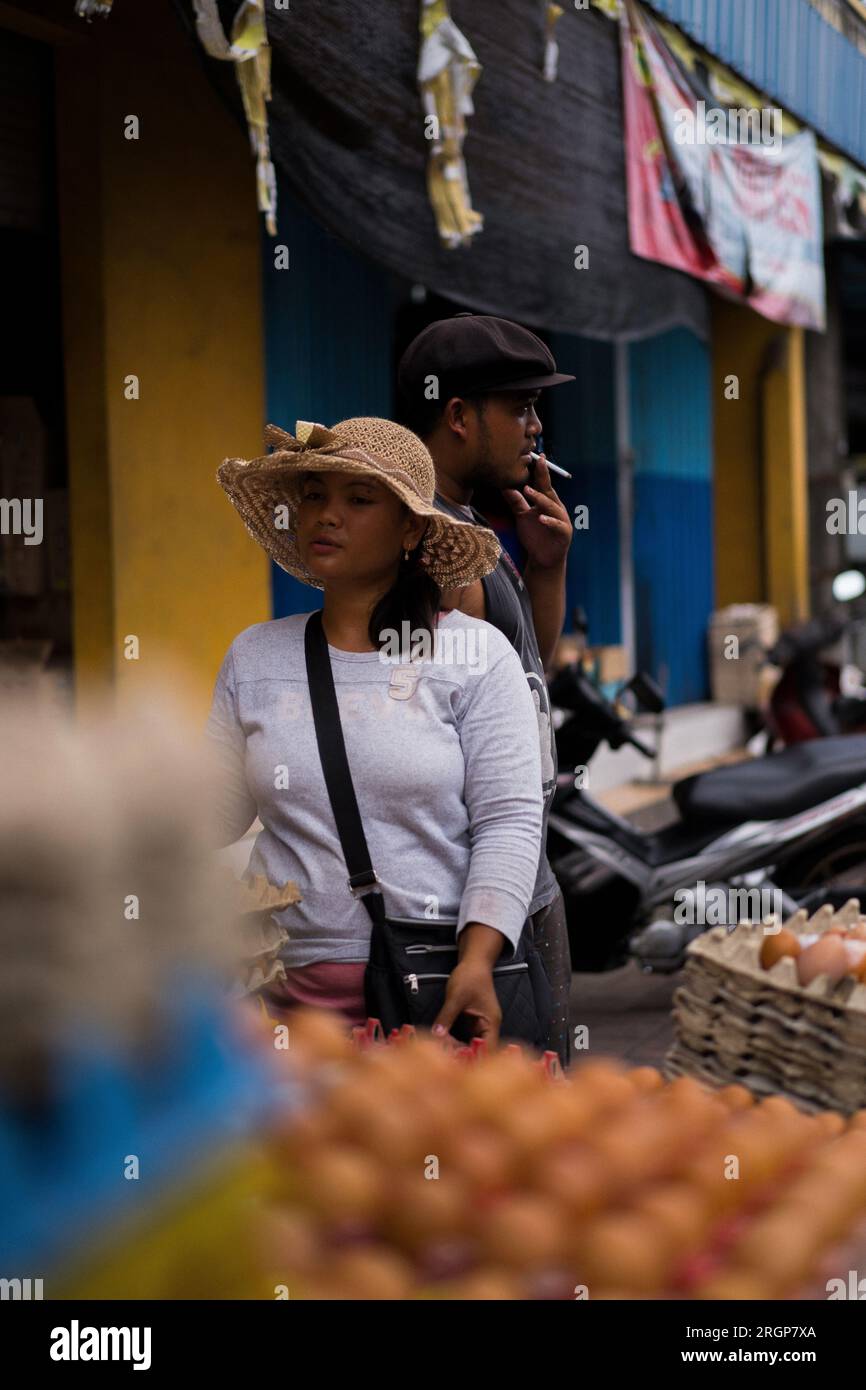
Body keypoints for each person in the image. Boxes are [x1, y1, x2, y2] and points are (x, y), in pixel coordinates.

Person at [205, 416, 544, 1046]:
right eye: (314, 495)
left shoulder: (475, 657)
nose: (326, 516)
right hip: (279, 1007)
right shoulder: (256, 657)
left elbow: (509, 821)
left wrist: (477, 960)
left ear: (411, 527)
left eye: (358, 500)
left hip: (432, 996)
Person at [397, 313, 575, 1066]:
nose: (536, 428)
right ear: (459, 416)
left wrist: (547, 565)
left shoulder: (474, 528)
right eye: (521, 407)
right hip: (485, 891)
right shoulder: (431, 543)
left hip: (519, 870)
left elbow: (522, 674)